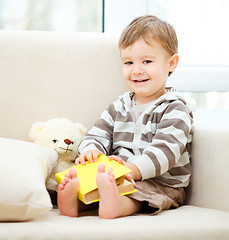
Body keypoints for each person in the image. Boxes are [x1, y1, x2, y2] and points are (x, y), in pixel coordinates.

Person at [57, 15, 193, 219]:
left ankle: (117, 205)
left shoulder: (175, 108)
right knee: (96, 186)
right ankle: (73, 200)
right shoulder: (120, 105)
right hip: (117, 176)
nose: (137, 70)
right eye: (128, 62)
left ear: (171, 63)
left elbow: (166, 152)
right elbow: (97, 133)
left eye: (147, 61)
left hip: (162, 182)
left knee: (138, 195)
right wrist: (91, 151)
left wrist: (132, 169)